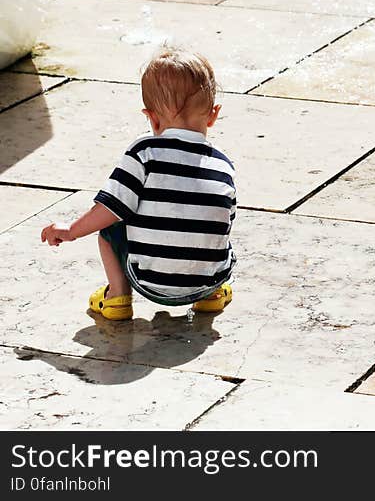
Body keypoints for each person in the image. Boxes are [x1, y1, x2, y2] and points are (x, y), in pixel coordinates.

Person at [40, 49, 236, 320]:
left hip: (148, 281)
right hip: (206, 281)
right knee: (206, 220)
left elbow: (109, 208)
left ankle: (117, 296)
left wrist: (72, 230)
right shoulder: (223, 164)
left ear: (152, 118)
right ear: (213, 115)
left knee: (113, 217)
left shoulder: (145, 151)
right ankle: (211, 295)